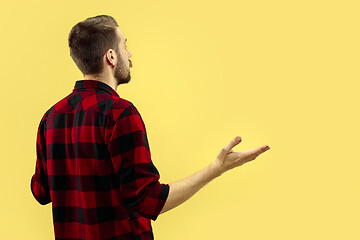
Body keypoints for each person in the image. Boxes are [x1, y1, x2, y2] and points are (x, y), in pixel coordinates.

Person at [30, 15, 270, 240]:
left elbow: (41, 192)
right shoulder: (120, 113)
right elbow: (149, 200)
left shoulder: (50, 118)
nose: (129, 53)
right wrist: (216, 168)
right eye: (125, 46)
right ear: (111, 56)